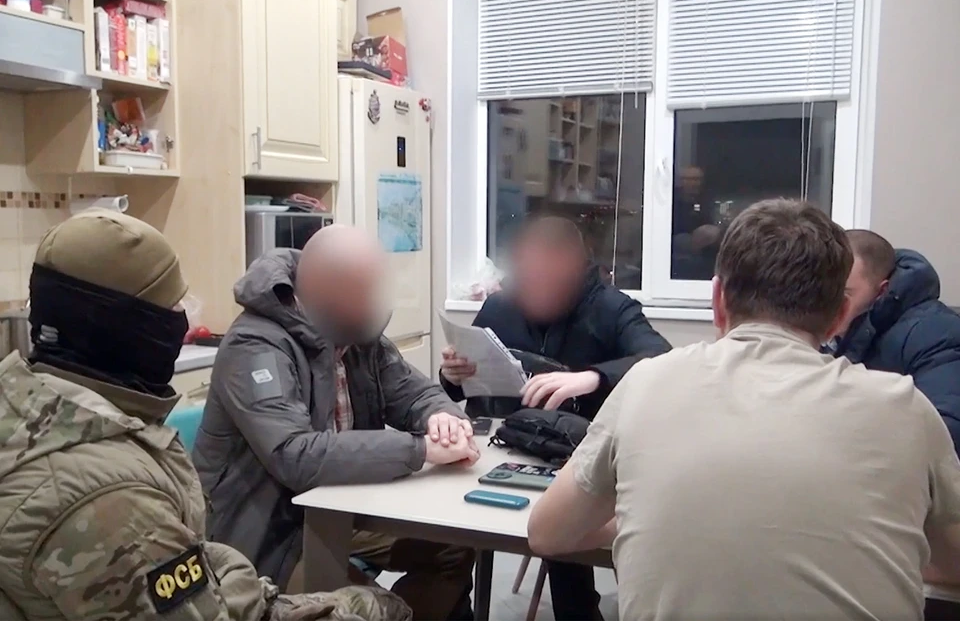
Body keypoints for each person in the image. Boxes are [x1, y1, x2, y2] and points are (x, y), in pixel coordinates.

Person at [528, 199, 960, 621]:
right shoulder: (906, 409)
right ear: (840, 315)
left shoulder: (646, 384)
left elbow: (547, 533)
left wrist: (634, 522)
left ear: (717, 300)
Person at [0, 210, 410, 620]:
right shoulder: (110, 496)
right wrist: (368, 606)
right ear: (122, 325)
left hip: (241, 564)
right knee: (381, 606)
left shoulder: (28, 405)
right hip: (270, 543)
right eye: (171, 307)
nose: (182, 323)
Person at [193, 225, 477, 621]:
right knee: (366, 608)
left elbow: (414, 393)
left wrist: (443, 419)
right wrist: (421, 449)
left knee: (453, 547)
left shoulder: (356, 334)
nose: (380, 305)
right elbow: (295, 455)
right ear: (327, 298)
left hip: (342, 509)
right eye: (366, 294)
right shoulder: (255, 346)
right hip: (271, 536)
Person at [441, 215, 671, 621]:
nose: (538, 288)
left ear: (579, 269)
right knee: (451, 528)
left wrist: (592, 377)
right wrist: (453, 375)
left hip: (583, 456)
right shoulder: (501, 306)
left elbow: (662, 358)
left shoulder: (611, 307)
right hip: (506, 447)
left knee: (564, 532)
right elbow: (460, 388)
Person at [830, 230, 960, 450]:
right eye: (824, 292)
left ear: (882, 291)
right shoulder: (822, 329)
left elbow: (946, 431)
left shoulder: (937, 333)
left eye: (844, 294)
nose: (828, 303)